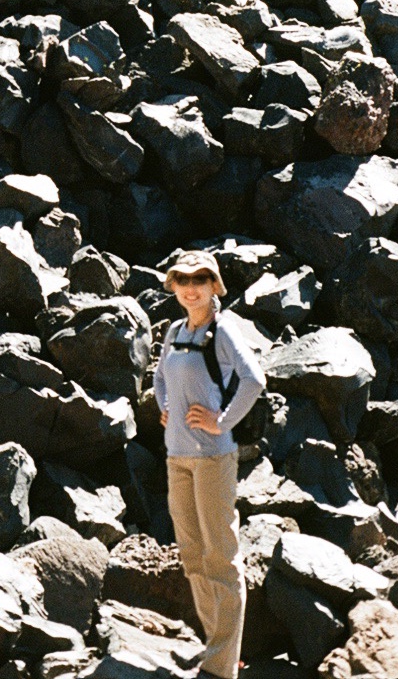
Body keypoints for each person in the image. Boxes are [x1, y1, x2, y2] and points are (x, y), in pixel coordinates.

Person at [153, 249, 265, 679]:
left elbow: (255, 379)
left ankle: (220, 667)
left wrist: (222, 421)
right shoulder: (175, 330)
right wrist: (164, 406)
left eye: (200, 279)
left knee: (221, 556)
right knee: (193, 556)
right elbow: (161, 376)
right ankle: (217, 646)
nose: (191, 287)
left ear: (214, 286)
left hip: (214, 458)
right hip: (177, 455)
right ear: (174, 286)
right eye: (183, 280)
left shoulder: (222, 330)